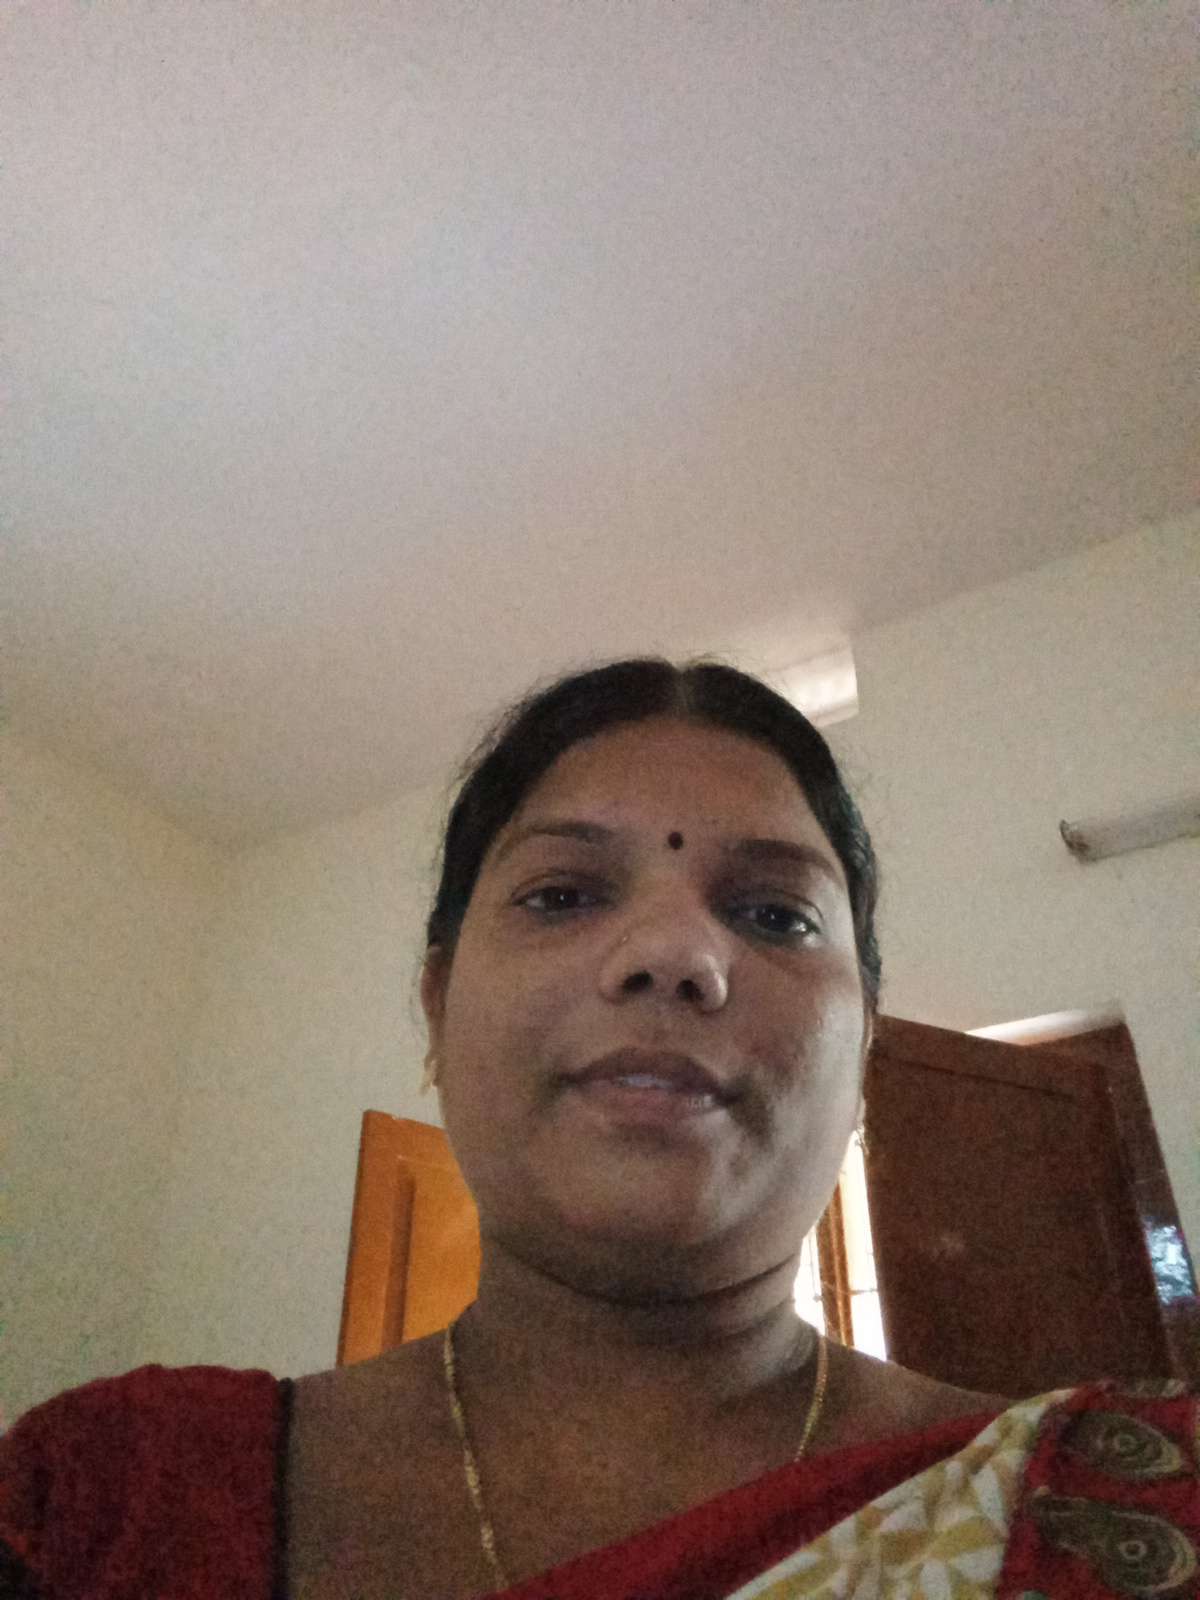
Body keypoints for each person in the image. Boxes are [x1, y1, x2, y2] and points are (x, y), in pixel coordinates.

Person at [1, 658, 1194, 1600]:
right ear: (437, 1005)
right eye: (562, 893)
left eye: (776, 913)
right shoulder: (106, 1502)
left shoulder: (1124, 1508)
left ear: (866, 1047)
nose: (673, 953)